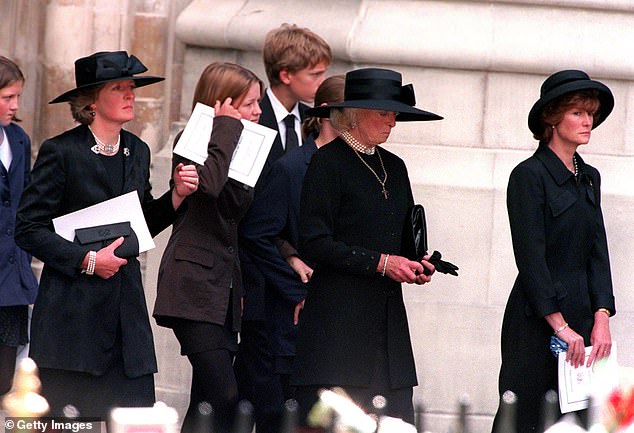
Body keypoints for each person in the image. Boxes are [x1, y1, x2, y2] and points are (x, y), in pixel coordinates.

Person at [14, 51, 198, 418]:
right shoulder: (61, 151)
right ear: (91, 101)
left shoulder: (139, 150)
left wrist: (176, 196)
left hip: (123, 317)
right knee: (65, 424)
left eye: (131, 88)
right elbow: (28, 228)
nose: (131, 95)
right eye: (119, 88)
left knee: (131, 419)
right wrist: (87, 261)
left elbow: (140, 222)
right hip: (72, 316)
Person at [290, 68, 443, 424]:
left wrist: (418, 264)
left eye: (394, 114)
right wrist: (381, 263)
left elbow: (402, 240)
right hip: (338, 330)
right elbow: (314, 242)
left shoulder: (395, 166)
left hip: (386, 331)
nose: (392, 122)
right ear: (356, 116)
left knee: (396, 421)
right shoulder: (327, 163)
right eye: (383, 113)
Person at [491, 70, 616, 433]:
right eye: (577, 112)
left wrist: (602, 317)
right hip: (536, 320)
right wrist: (559, 326)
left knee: (578, 420)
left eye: (590, 113)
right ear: (552, 118)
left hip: (584, 320)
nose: (588, 121)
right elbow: (530, 258)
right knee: (525, 416)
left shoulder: (589, 176)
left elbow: (597, 251)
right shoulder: (528, 175)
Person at [153, 62, 263, 433]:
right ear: (224, 104)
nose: (258, 112)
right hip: (191, 286)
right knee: (224, 394)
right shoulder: (194, 138)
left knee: (205, 402)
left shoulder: (239, 142)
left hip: (222, 290)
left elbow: (232, 216)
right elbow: (210, 185)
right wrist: (227, 127)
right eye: (249, 104)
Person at [234, 23, 331, 433]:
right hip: (256, 277)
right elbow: (246, 212)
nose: (322, 83)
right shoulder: (254, 123)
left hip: (294, 276)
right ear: (286, 75)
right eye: (315, 75)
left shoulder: (314, 120)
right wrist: (285, 257)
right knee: (251, 396)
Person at [0, 56, 38, 396]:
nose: (14, 106)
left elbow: (26, 202)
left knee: (5, 380)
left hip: (12, 278)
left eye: (17, 97)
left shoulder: (19, 140)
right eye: (7, 97)